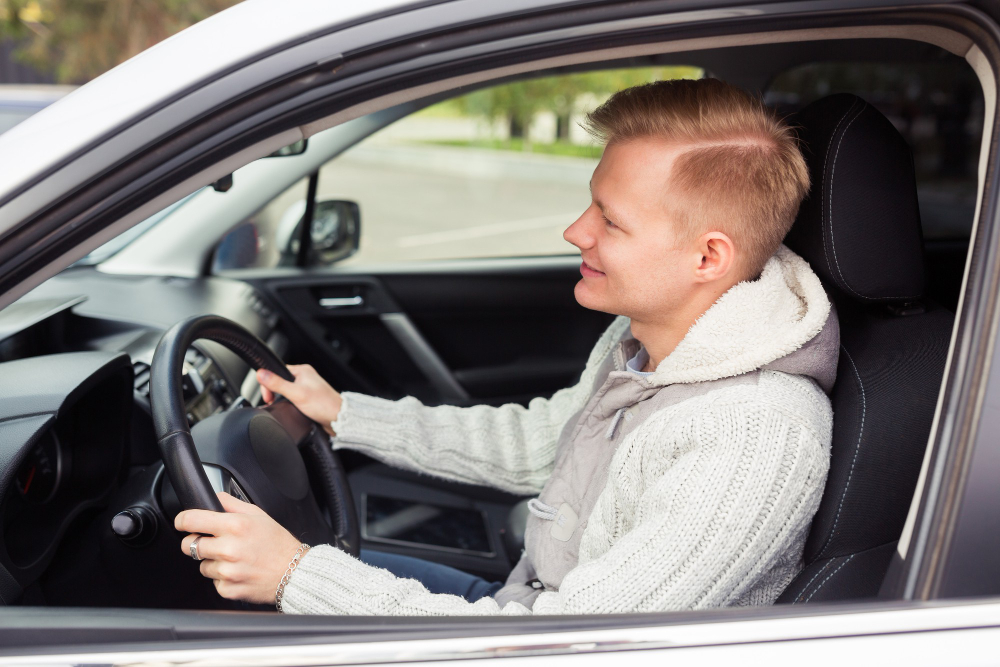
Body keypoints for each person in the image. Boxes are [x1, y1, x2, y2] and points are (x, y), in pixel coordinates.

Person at [175, 77, 839, 616]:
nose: (575, 231)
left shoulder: (754, 434)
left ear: (708, 256)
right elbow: (543, 446)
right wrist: (345, 413)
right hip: (519, 603)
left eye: (611, 220)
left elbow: (563, 652)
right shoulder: (649, 340)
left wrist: (295, 574)